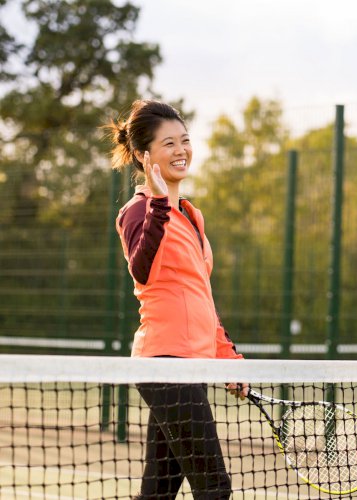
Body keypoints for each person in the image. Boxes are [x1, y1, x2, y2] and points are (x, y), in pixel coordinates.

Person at [107, 100, 248, 499]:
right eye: (168, 143)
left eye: (184, 140)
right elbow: (142, 269)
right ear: (142, 154)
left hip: (193, 366)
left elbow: (200, 296)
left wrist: (227, 358)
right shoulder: (137, 212)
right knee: (215, 488)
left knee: (159, 491)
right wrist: (157, 205)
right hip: (165, 364)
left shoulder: (192, 214)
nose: (181, 150)